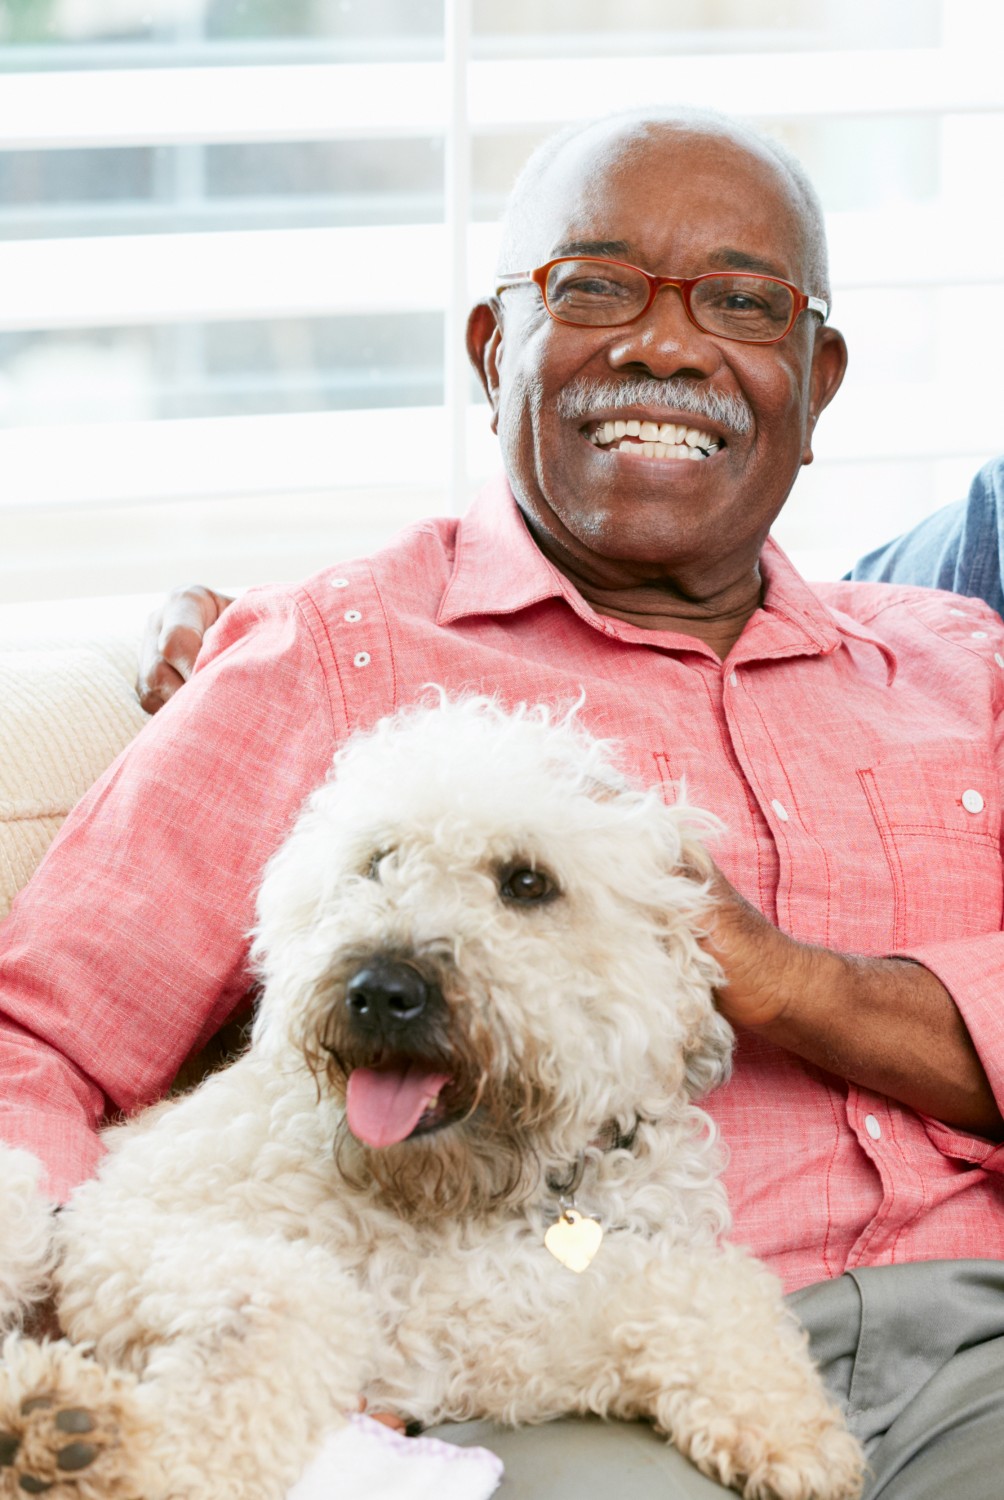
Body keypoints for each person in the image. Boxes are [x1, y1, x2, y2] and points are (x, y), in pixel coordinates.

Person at [4, 107, 1004, 1498]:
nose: (665, 345)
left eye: (740, 302)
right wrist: (58, 1302)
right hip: (556, 1376)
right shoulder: (334, 652)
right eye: (594, 289)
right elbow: (37, 1034)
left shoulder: (962, 665)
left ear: (815, 379)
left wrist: (784, 984)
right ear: (494, 351)